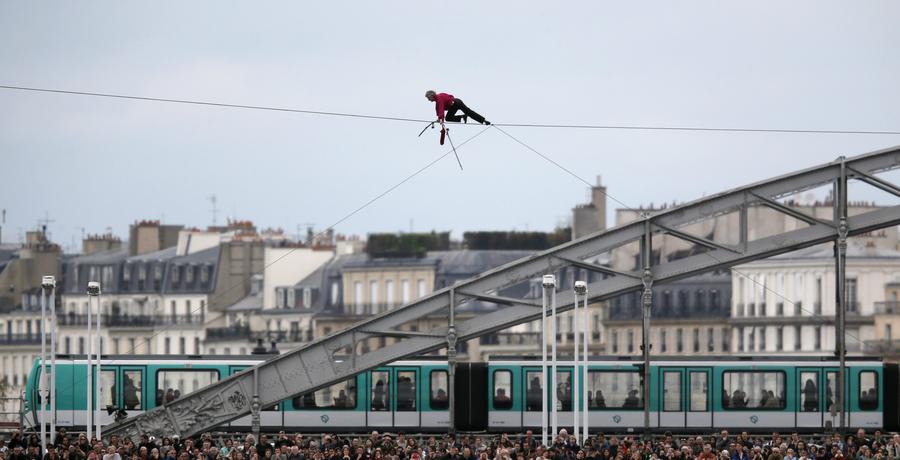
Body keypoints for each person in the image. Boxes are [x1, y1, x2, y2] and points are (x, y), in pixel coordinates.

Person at [425, 91, 490, 125]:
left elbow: (441, 109)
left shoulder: (439, 98)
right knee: (448, 118)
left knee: (469, 112)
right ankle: (463, 117)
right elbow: (438, 110)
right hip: (454, 104)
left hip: (456, 103)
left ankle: (483, 121)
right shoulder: (438, 99)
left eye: (428, 98)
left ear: (432, 95)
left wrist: (440, 119)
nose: (428, 100)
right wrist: (439, 119)